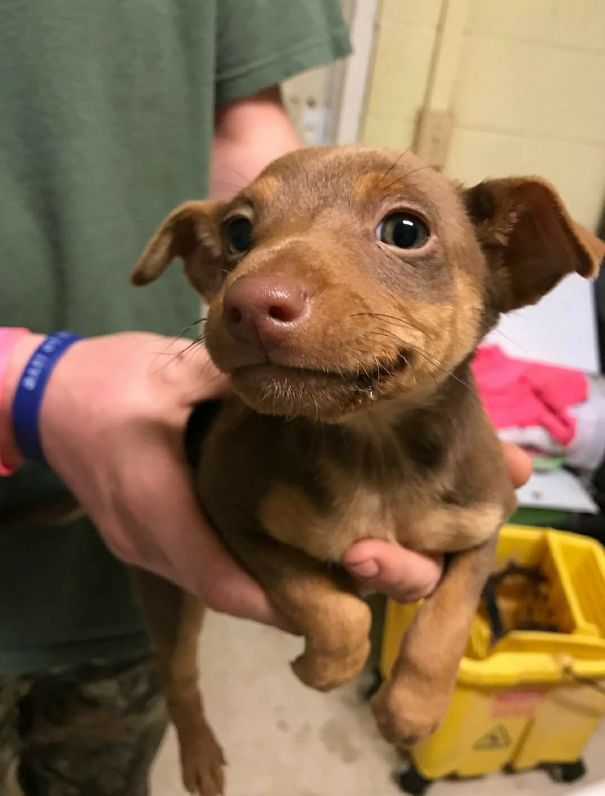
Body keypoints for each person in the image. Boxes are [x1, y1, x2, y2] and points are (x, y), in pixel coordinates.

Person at [0, 2, 532, 793]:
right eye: (241, 242)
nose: (259, 287)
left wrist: (433, 652)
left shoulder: (471, 476)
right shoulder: (250, 453)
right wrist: (30, 380)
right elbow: (233, 504)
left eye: (402, 231)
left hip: (112, 578)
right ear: (206, 265)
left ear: (516, 261)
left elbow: (247, 126)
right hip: (110, 443)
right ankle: (191, 707)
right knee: (174, 649)